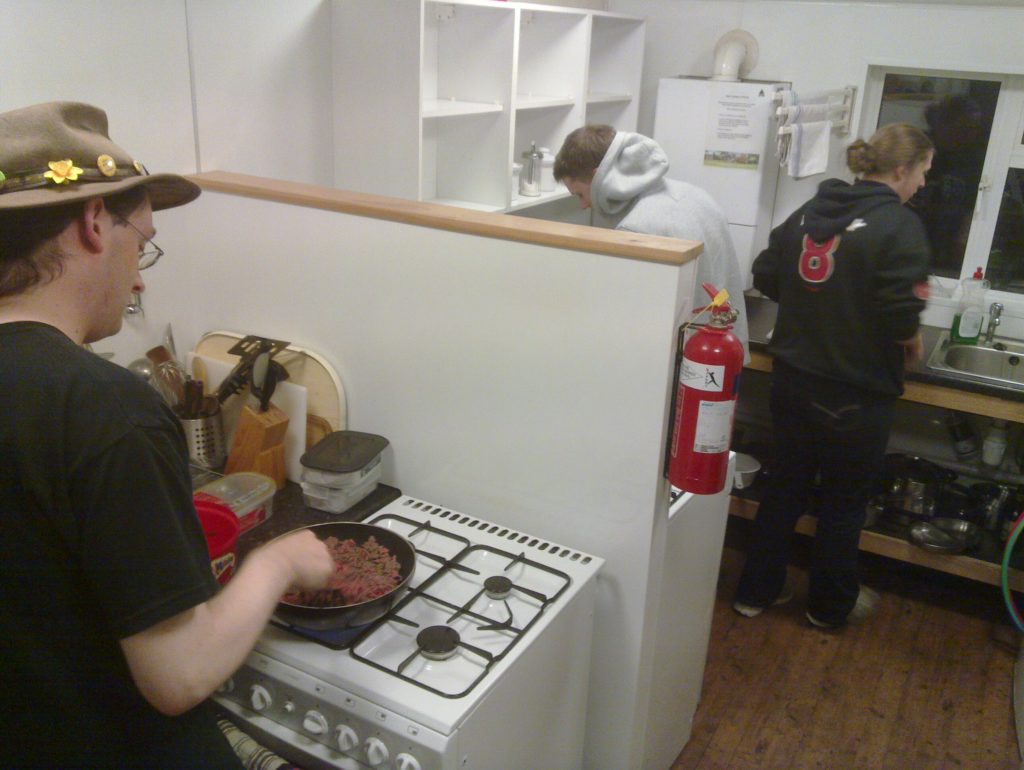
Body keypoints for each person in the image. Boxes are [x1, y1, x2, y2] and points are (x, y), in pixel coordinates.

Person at [0, 101, 335, 768]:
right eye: (142, 239)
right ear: (94, 223)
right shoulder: (102, 408)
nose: (142, 275)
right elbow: (177, 676)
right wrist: (280, 561)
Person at [732, 122, 934, 629]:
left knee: (784, 489)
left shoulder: (812, 211)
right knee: (844, 506)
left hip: (794, 380)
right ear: (902, 169)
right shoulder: (900, 225)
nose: (925, 185)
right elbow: (896, 308)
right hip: (855, 394)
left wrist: (812, 307)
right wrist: (909, 335)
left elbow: (767, 272)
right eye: (925, 172)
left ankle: (756, 592)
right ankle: (827, 608)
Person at [553, 124, 750, 360]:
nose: (583, 205)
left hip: (687, 363)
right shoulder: (695, 194)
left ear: (599, 176)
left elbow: (633, 327)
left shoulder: (636, 228)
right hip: (724, 353)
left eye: (580, 194)